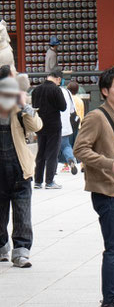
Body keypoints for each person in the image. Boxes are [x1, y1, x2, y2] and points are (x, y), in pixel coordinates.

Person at [73, 66, 114, 307]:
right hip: (105, 192)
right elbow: (80, 149)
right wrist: (109, 164)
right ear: (105, 91)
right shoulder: (96, 117)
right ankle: (110, 299)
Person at [0, 77, 42, 268]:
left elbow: (36, 126)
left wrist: (24, 105)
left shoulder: (19, 110)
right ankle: (2, 247)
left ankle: (21, 251)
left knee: (22, 211)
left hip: (20, 167)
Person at [31, 67, 66, 189]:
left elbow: (34, 106)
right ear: (58, 79)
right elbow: (63, 107)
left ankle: (37, 181)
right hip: (54, 125)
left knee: (40, 152)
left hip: (39, 124)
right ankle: (49, 181)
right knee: (52, 153)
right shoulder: (56, 90)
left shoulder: (36, 90)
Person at [58, 82, 79, 175]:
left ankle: (52, 169)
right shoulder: (67, 92)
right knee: (66, 146)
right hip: (66, 125)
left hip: (53, 124)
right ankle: (71, 160)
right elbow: (72, 110)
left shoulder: (51, 91)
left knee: (52, 148)